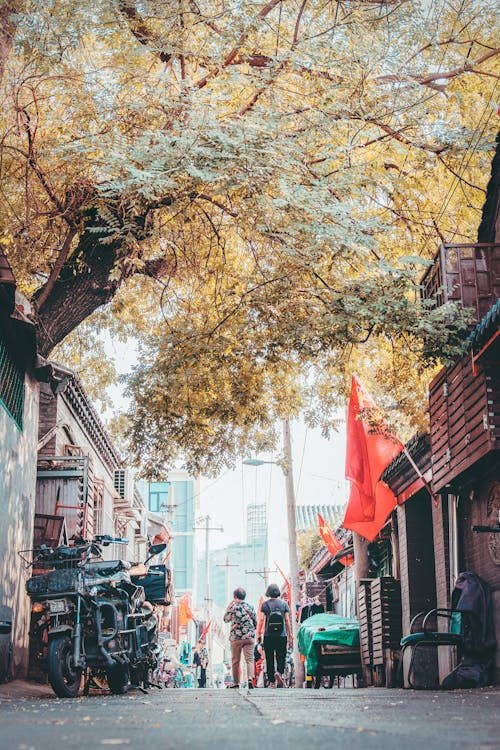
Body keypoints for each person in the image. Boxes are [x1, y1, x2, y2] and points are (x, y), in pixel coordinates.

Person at [257, 583, 292, 688]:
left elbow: (262, 620)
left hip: (268, 635)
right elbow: (287, 620)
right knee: (281, 656)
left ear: (268, 592)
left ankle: (272, 681)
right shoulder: (284, 604)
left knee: (269, 658)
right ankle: (279, 674)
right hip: (282, 635)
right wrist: (290, 635)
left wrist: (258, 633)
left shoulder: (265, 605)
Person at [223, 587, 257, 689]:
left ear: (235, 597)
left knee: (235, 660)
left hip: (236, 637)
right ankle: (250, 679)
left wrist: (229, 606)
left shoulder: (233, 607)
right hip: (249, 636)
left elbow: (225, 619)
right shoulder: (250, 607)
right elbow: (255, 622)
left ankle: (236, 683)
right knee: (250, 659)